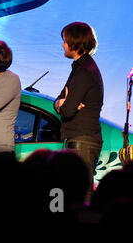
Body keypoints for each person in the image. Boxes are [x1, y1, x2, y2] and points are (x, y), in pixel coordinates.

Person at [54, 21, 103, 202]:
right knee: (74, 192)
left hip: (83, 139)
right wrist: (62, 102)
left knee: (81, 195)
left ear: (75, 43)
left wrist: (64, 104)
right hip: (79, 137)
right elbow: (59, 101)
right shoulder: (79, 68)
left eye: (65, 41)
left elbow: (66, 111)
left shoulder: (85, 71)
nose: (62, 45)